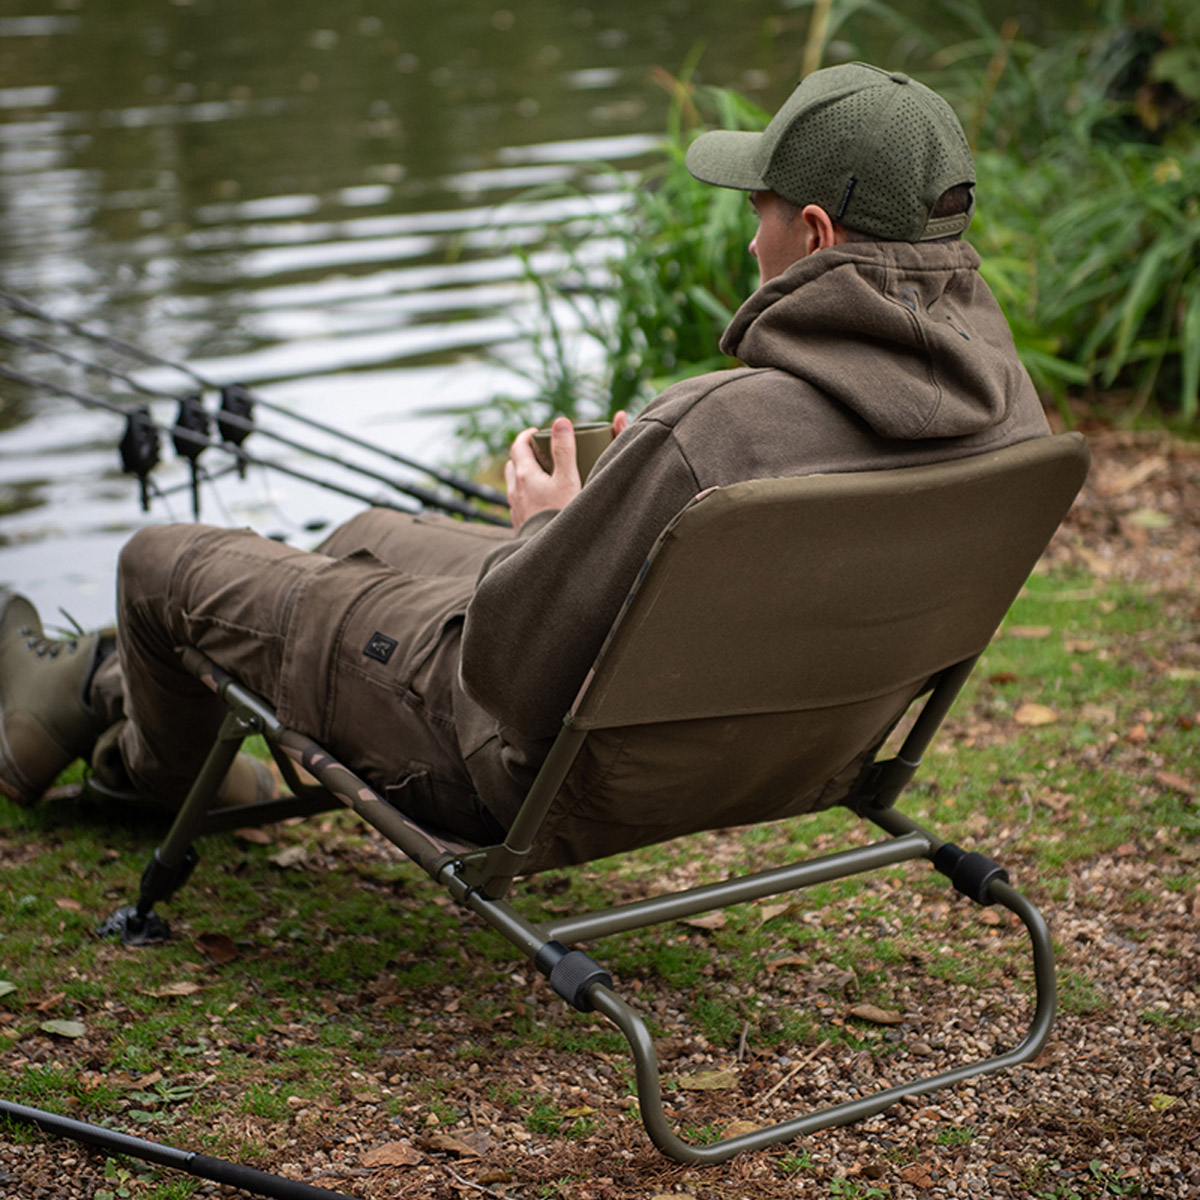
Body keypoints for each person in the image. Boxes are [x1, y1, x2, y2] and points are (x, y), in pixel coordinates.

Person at [0, 62, 1050, 840]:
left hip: (522, 768)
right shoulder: (1016, 424)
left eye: (759, 210)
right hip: (782, 755)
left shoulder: (719, 430)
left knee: (157, 563)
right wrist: (622, 510)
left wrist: (546, 527)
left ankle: (126, 731)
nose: (748, 238)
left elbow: (503, 672)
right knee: (361, 533)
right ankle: (130, 701)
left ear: (815, 235)